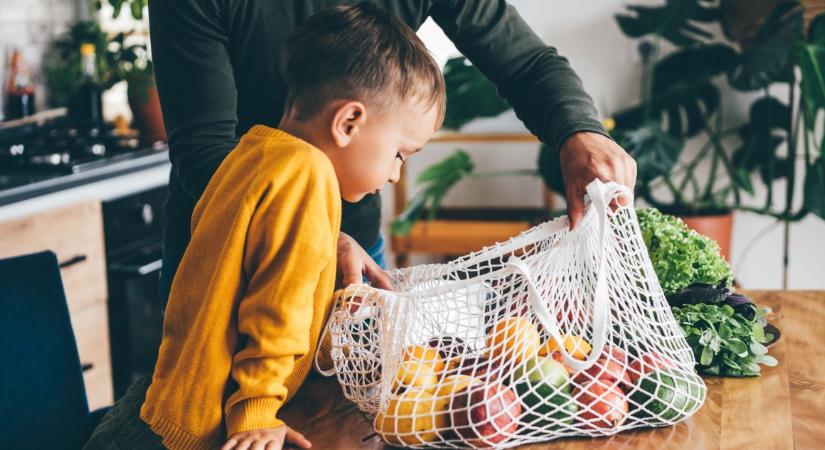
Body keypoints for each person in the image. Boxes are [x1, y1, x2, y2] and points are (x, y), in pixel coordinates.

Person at [83, 4, 445, 450]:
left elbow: (250, 289)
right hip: (202, 430)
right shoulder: (307, 180)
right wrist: (256, 413)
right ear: (348, 122)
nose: (395, 175)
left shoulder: (255, 153)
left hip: (163, 408)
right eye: (399, 154)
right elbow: (275, 314)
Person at [150, 0, 637, 301]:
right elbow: (205, 153)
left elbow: (527, 63)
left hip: (356, 251)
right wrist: (310, 235)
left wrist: (582, 132)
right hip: (226, 252)